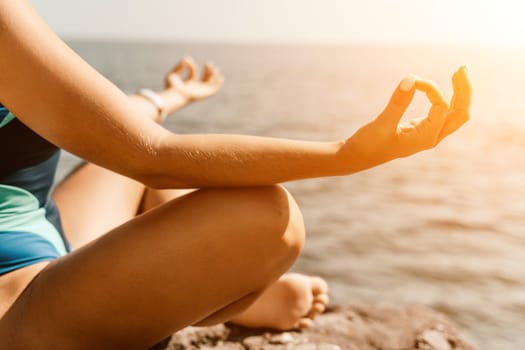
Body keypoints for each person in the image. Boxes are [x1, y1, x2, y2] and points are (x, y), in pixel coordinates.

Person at [0, 1, 471, 349]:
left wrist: (166, 98)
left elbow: (102, 130)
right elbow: (151, 154)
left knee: (127, 170)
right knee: (268, 217)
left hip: (41, 245)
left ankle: (194, 296)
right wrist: (348, 155)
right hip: (14, 315)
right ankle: (218, 302)